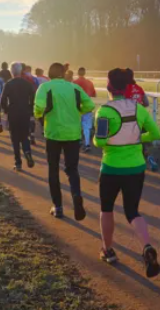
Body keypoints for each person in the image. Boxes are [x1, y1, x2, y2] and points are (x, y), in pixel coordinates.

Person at [94, 68, 160, 278]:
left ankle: (108, 250)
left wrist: (113, 141)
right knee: (132, 210)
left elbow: (100, 141)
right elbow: (156, 133)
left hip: (111, 166)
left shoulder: (104, 111)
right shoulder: (139, 109)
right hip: (136, 167)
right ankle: (147, 247)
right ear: (126, 87)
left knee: (107, 209)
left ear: (109, 87)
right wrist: (135, 139)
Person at [34, 62, 95, 220]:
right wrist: (78, 112)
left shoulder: (45, 87)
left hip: (53, 133)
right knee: (72, 169)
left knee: (53, 169)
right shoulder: (74, 87)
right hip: (73, 134)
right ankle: (76, 196)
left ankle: (58, 206)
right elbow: (90, 104)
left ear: (50, 73)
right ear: (64, 73)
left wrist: (39, 115)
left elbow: (39, 106)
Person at [1, 63, 35, 171]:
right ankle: (27, 152)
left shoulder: (8, 84)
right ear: (21, 71)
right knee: (25, 136)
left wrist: (6, 110)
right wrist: (30, 109)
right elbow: (33, 97)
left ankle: (18, 162)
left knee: (15, 139)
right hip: (25, 112)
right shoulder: (27, 84)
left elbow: (3, 99)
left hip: (13, 113)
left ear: (12, 72)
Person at [125, 70, 157, 172]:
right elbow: (146, 103)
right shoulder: (139, 88)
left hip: (130, 119)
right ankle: (149, 158)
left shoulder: (125, 89)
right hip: (141, 117)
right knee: (142, 140)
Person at [74, 67, 98, 152]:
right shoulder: (89, 83)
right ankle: (87, 144)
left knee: (77, 125)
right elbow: (94, 95)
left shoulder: (74, 83)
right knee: (86, 127)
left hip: (76, 107)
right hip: (87, 106)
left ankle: (78, 141)